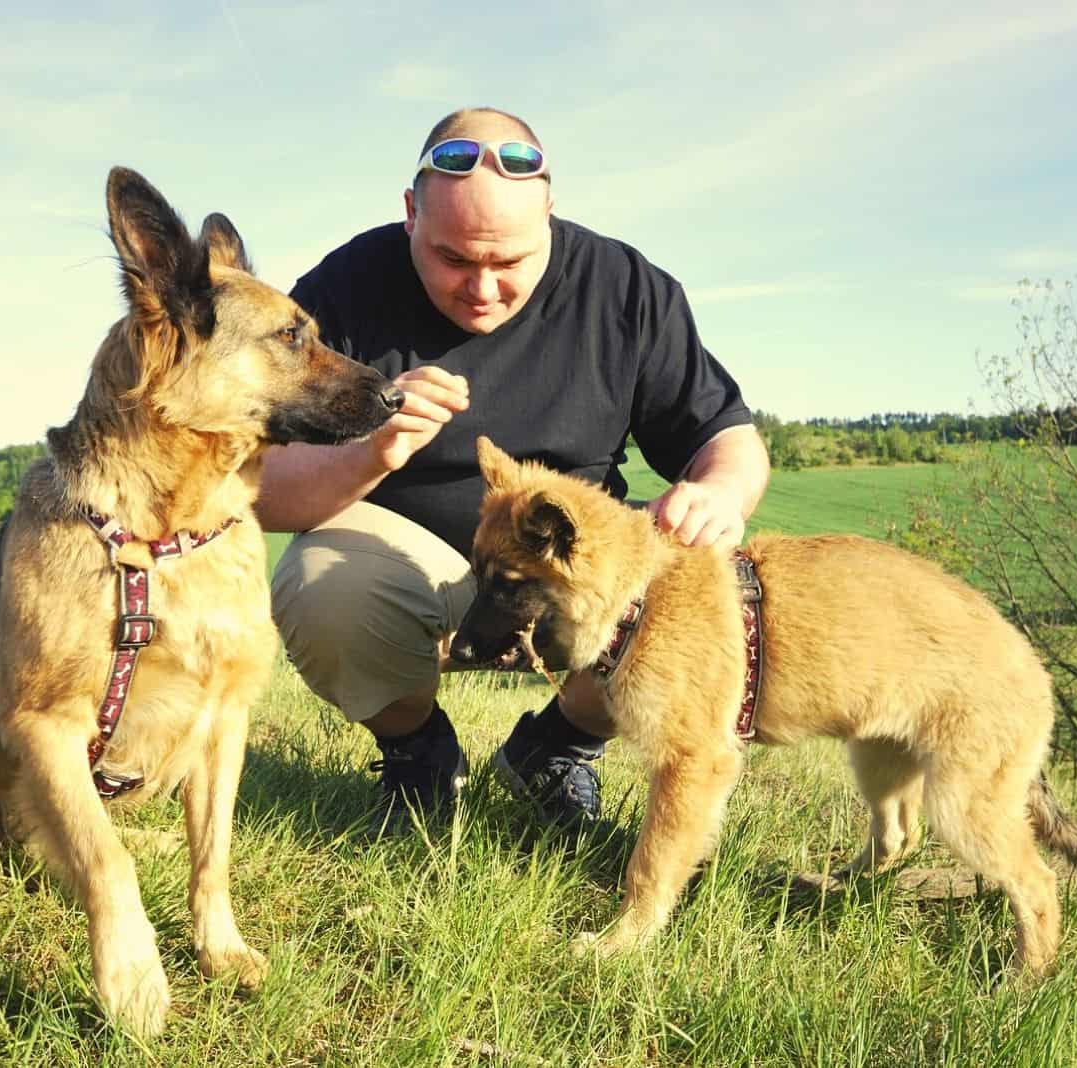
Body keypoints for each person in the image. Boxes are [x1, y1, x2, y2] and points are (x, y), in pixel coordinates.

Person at [256, 106, 770, 829]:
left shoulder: (626, 290)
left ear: (550, 216)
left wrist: (721, 491)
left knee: (684, 577)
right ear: (411, 214)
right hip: (407, 567)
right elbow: (263, 489)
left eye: (509, 262)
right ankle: (418, 754)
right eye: (454, 258)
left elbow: (728, 438)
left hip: (569, 572)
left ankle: (558, 748)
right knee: (320, 587)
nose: (483, 288)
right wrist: (373, 450)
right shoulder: (343, 291)